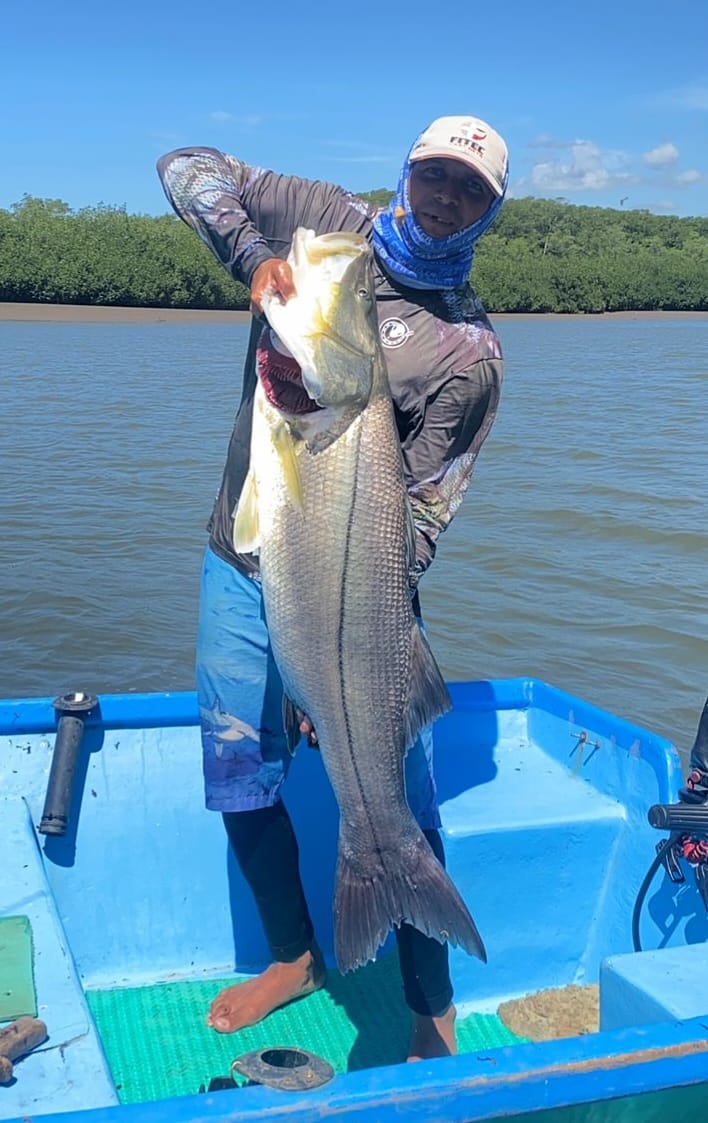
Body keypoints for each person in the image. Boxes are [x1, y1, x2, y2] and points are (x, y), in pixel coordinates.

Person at [156, 114, 509, 1062]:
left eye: (468, 189)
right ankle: (293, 955)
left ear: (489, 211)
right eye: (433, 174)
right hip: (240, 564)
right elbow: (186, 163)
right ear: (407, 171)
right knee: (238, 767)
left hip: (361, 594)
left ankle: (428, 1002)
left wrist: (334, 650)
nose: (443, 197)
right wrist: (251, 254)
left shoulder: (467, 352)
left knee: (402, 789)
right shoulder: (328, 224)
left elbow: (425, 514)